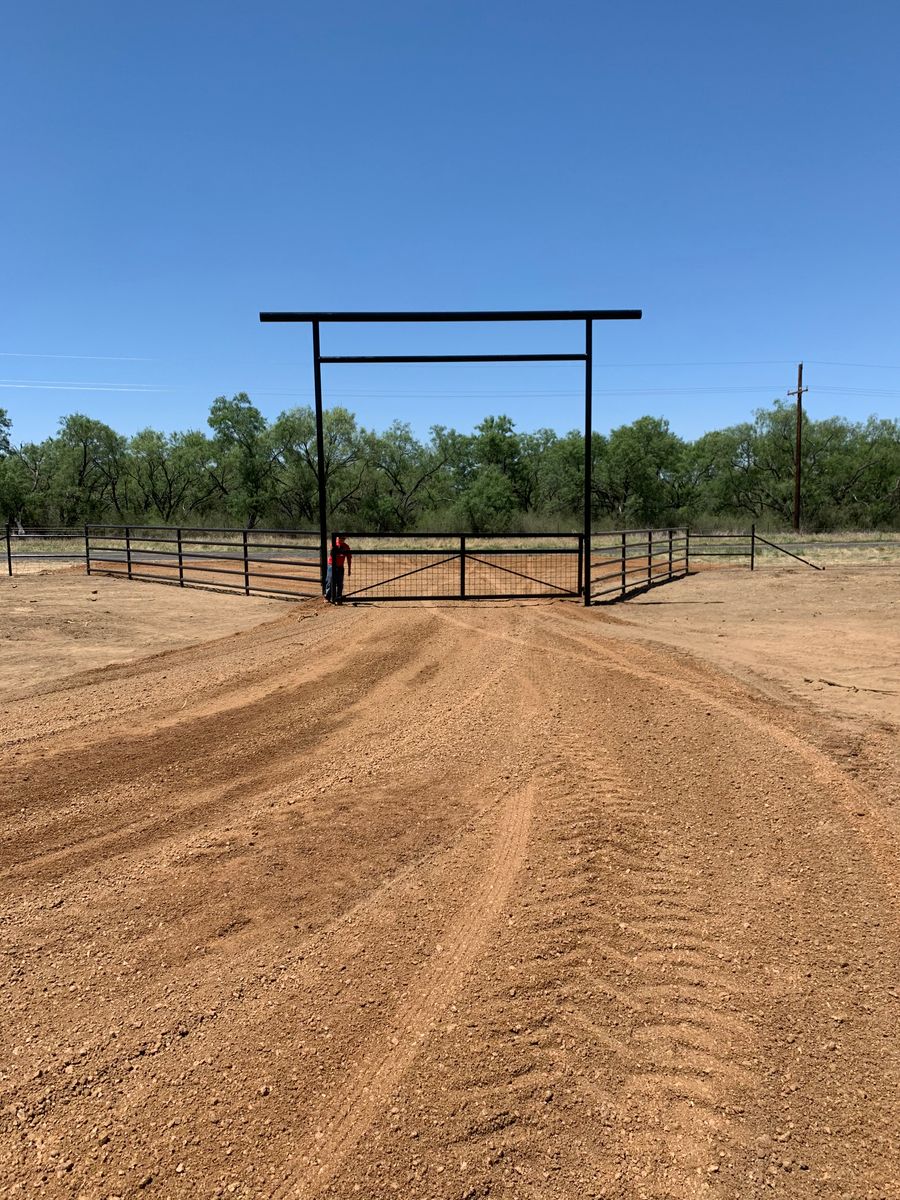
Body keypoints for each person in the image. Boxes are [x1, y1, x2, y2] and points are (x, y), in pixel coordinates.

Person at [324, 533, 352, 604]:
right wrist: (336, 550)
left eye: (344, 538)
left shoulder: (346, 547)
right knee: (330, 581)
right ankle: (327, 597)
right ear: (338, 538)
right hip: (331, 565)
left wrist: (349, 569)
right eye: (341, 538)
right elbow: (331, 553)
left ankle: (338, 598)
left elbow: (349, 558)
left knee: (340, 583)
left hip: (340, 566)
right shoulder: (334, 544)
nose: (342, 539)